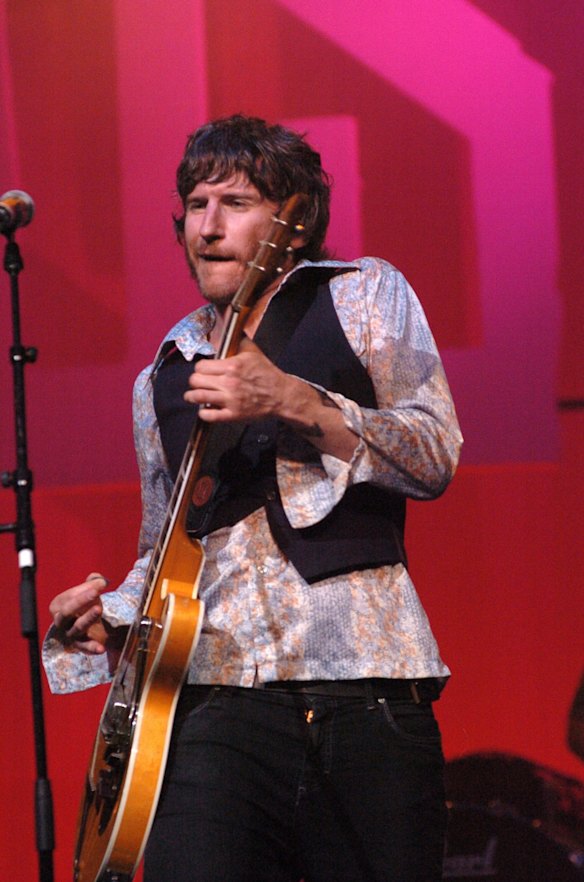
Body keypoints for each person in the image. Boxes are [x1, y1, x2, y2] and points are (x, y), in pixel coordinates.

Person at [43, 114, 463, 882]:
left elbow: (434, 454)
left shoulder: (364, 294)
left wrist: (297, 400)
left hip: (366, 686)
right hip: (213, 704)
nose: (207, 227)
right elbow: (167, 548)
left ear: (293, 222)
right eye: (194, 206)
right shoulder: (161, 375)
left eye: (233, 203)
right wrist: (111, 614)